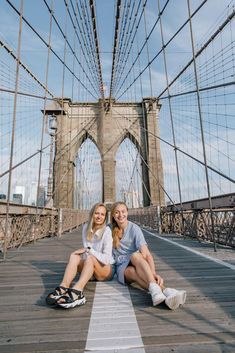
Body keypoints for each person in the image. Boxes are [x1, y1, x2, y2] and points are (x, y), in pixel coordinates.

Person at [110, 201, 186, 310]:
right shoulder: (109, 229)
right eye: (117, 212)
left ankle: (161, 296)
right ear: (113, 215)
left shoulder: (134, 228)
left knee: (135, 256)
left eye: (123, 211)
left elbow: (146, 254)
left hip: (136, 261)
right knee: (134, 270)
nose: (120, 215)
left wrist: (153, 273)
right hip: (122, 267)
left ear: (127, 212)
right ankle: (166, 290)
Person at [46, 202, 115, 309]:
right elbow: (86, 253)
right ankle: (63, 287)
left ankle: (78, 292)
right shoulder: (85, 228)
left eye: (102, 214)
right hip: (91, 267)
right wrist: (77, 255)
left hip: (106, 270)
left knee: (91, 257)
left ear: (105, 217)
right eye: (97, 213)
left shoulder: (107, 231)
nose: (99, 216)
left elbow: (106, 259)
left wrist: (90, 251)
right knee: (74, 256)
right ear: (92, 214)